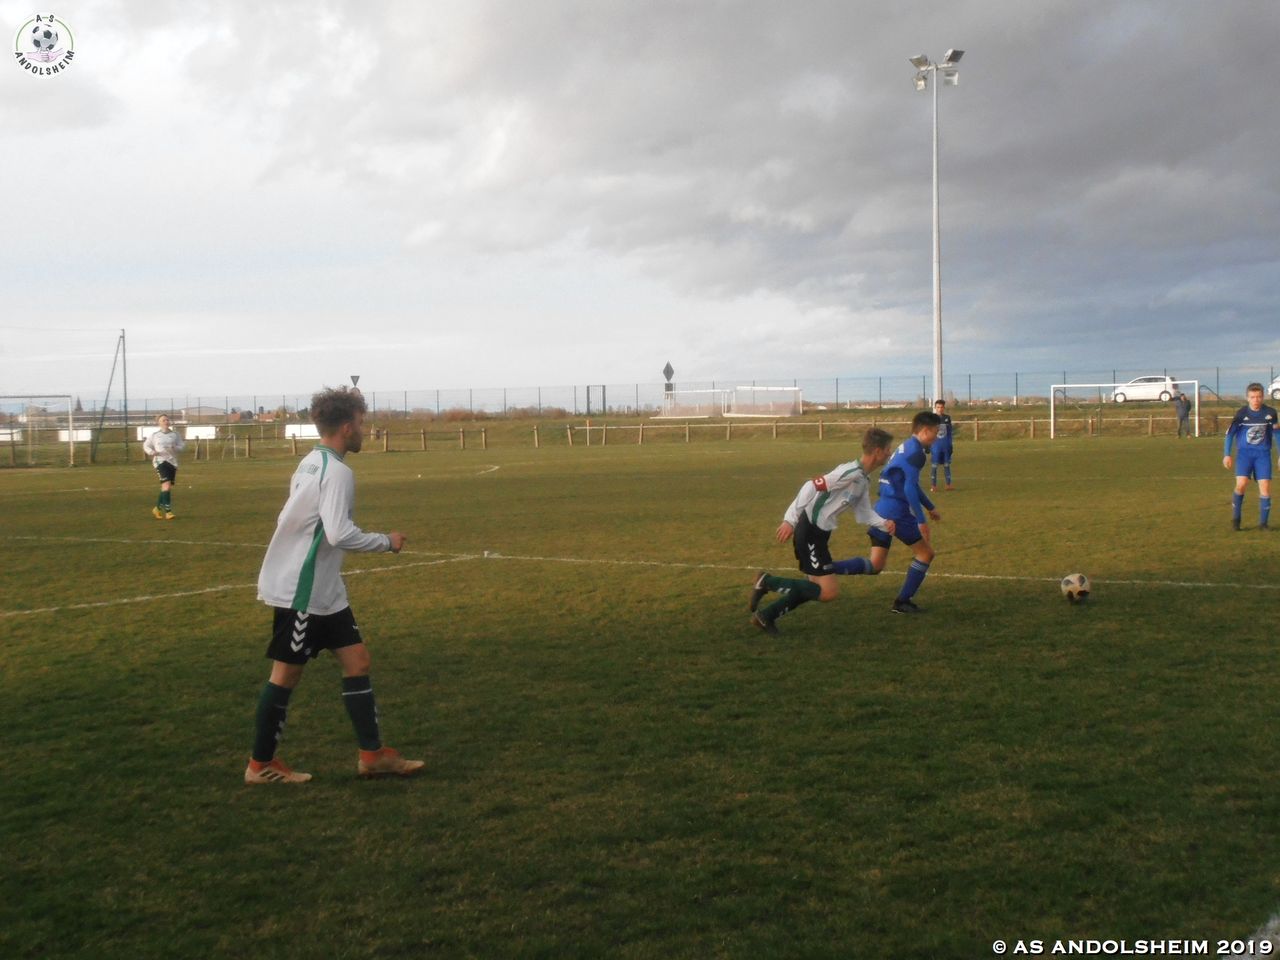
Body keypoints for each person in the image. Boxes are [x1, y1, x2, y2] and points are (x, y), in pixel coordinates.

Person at [245, 386, 424, 784]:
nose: (364, 430)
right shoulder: (337, 471)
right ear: (346, 427)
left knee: (358, 661)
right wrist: (386, 542)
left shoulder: (311, 462)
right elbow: (339, 533)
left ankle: (372, 757)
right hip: (303, 591)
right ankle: (260, 765)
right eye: (361, 422)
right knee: (285, 675)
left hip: (326, 591)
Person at [749, 428, 896, 635]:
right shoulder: (850, 472)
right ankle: (766, 582)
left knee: (814, 587)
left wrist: (883, 523)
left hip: (819, 534)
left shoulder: (863, 480)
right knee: (828, 592)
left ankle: (766, 616)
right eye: (888, 449)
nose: (890, 453)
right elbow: (811, 486)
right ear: (878, 451)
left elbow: (863, 513)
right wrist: (790, 520)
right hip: (810, 531)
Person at [868, 411, 943, 614]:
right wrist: (921, 520)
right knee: (926, 554)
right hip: (897, 512)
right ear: (925, 431)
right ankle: (902, 601)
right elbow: (909, 487)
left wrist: (930, 506)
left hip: (881, 508)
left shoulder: (907, 446)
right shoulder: (916, 453)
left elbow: (910, 483)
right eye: (935, 432)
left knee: (875, 564)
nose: (936, 437)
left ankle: (826, 567)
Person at [1222, 382, 1277, 531]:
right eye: (1252, 397)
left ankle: (1263, 524)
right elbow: (1230, 434)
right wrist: (1227, 455)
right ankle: (1236, 520)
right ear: (1247, 398)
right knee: (1241, 485)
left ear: (1263, 397)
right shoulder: (1241, 414)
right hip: (1245, 455)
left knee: (1265, 488)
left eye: (1258, 397)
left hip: (1263, 455)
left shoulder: (1271, 413)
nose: (1256, 400)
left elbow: (1277, 434)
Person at [142, 414, 185, 520]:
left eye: (167, 420)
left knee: (166, 487)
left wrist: (176, 448)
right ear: (159, 423)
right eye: (163, 420)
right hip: (160, 461)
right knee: (166, 485)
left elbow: (182, 446)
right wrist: (152, 452)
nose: (166, 422)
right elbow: (146, 445)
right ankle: (168, 512)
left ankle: (157, 508)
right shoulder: (155, 435)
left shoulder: (175, 434)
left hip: (172, 462)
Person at [929, 399, 955, 491]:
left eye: (941, 407)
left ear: (944, 408)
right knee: (934, 465)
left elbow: (949, 432)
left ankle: (948, 485)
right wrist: (928, 446)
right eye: (938, 407)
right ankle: (933, 486)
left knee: (947, 465)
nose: (940, 409)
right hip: (935, 446)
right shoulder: (931, 418)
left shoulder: (947, 418)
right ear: (935, 408)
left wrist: (950, 444)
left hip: (945, 445)